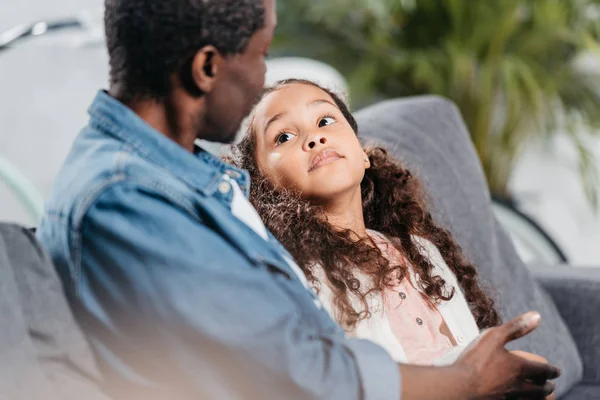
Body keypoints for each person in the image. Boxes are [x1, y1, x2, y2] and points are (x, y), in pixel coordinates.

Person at [37, 0, 560, 399]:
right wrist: (467, 379)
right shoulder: (130, 201)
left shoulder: (178, 174)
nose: (265, 77)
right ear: (206, 67)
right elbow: (301, 374)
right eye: (262, 55)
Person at [232, 78, 555, 398]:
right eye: (284, 136)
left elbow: (463, 345)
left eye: (325, 120)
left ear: (362, 154)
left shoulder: (420, 251)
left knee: (531, 369)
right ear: (264, 190)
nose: (314, 138)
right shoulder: (301, 278)